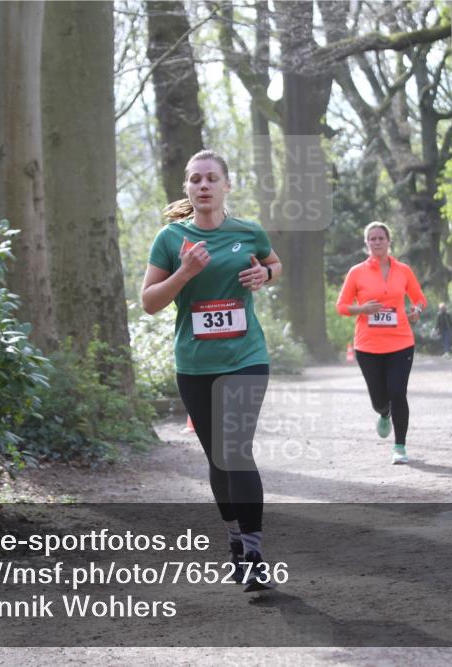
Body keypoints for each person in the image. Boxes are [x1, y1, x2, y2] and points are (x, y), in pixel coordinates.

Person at [141, 149, 282, 592]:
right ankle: (235, 537)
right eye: (195, 179)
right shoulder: (170, 239)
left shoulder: (247, 230)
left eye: (211, 178)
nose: (203, 185)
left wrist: (267, 276)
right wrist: (183, 273)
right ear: (187, 188)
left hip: (246, 357)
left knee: (236, 450)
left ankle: (256, 554)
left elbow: (273, 262)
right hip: (196, 364)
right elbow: (149, 302)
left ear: (227, 186)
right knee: (218, 458)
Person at [336, 221, 428, 465]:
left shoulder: (403, 270)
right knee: (379, 399)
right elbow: (342, 306)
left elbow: (419, 298)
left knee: (398, 393)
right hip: (368, 346)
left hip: (401, 342)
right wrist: (362, 309)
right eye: (372, 239)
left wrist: (416, 309)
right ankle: (383, 413)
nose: (377, 242)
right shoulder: (357, 272)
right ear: (366, 244)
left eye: (381, 238)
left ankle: (399, 446)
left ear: (389, 241)